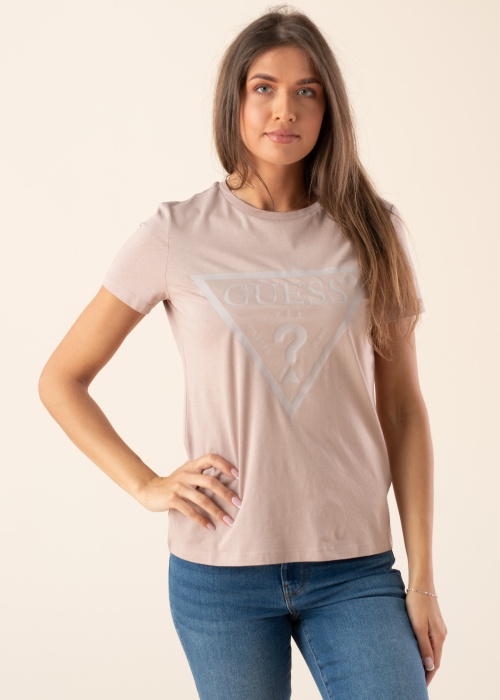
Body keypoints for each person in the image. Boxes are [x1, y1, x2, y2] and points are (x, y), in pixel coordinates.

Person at [38, 5, 447, 699]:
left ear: (329, 108)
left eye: (307, 91)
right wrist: (146, 484)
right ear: (235, 101)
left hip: (354, 568)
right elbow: (61, 378)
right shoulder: (176, 234)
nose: (285, 109)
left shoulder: (374, 231)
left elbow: (404, 410)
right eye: (264, 88)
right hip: (219, 574)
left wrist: (425, 579)